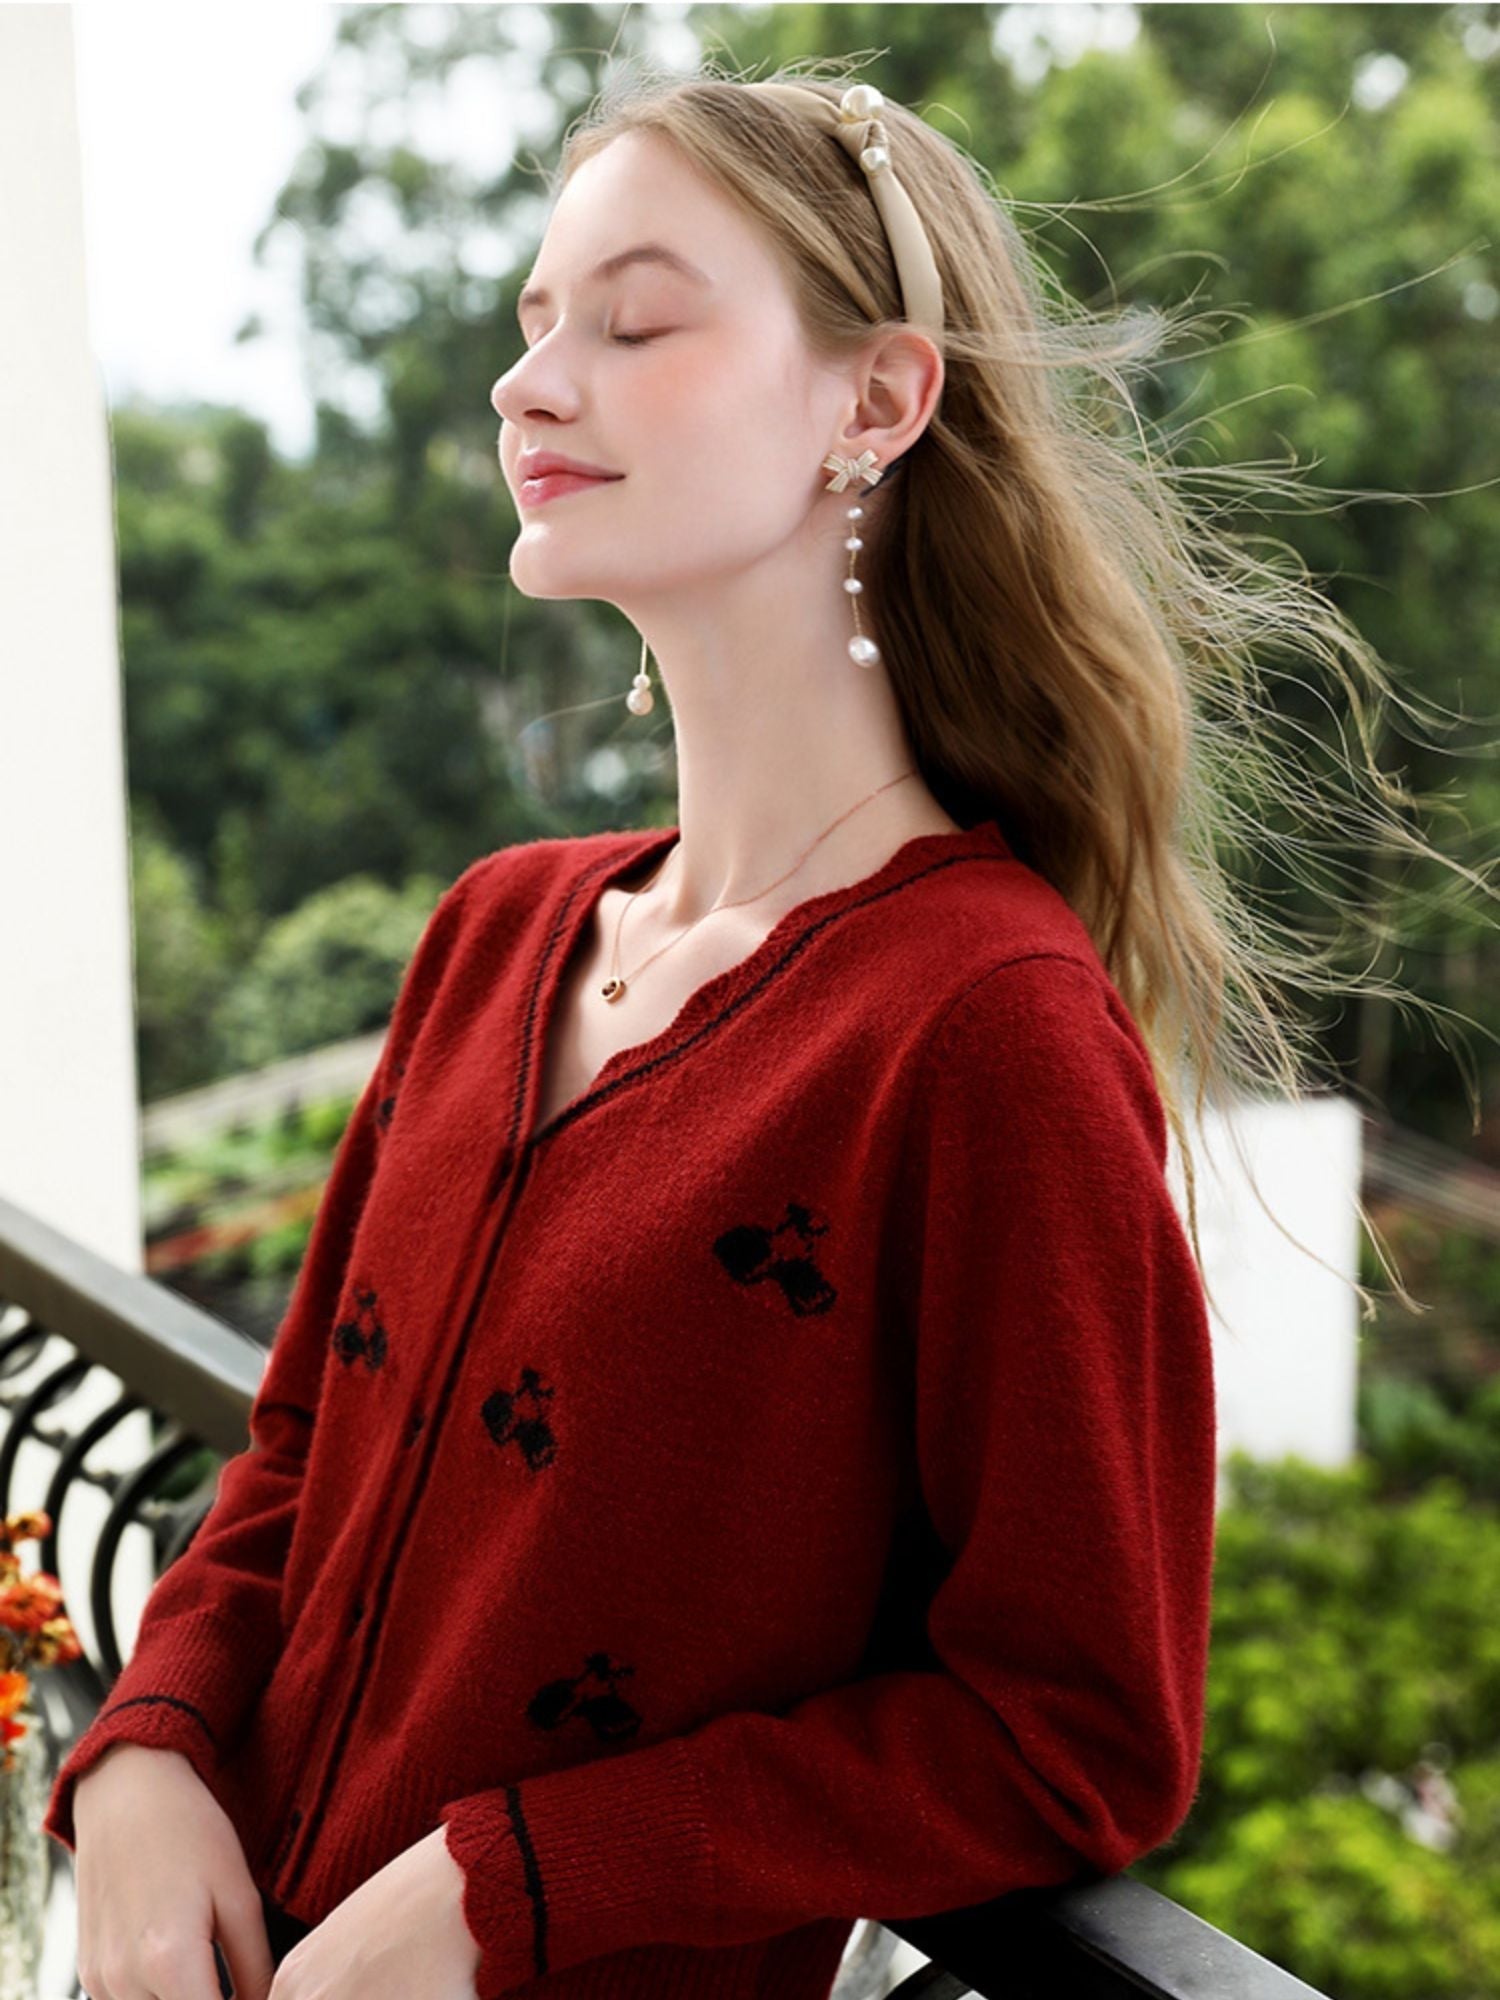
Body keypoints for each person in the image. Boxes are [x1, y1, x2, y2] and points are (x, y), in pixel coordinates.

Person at [45, 57, 1440, 2000]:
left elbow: (1077, 1726)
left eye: (634, 321)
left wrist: (503, 1881)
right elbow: (296, 1456)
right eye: (534, 326)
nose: (532, 385)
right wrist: (146, 1754)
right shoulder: (492, 931)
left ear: (874, 398)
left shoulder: (984, 1030)